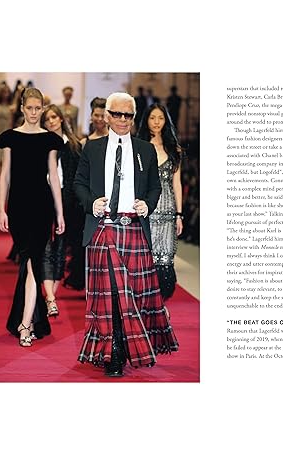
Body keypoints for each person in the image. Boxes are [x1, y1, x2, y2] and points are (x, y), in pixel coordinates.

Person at [74, 92, 178, 377]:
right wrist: (91, 203)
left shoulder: (145, 150)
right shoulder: (92, 148)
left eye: (128, 115)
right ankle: (114, 352)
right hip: (103, 227)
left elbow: (155, 187)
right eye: (117, 114)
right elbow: (78, 183)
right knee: (111, 293)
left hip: (134, 228)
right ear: (107, 116)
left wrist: (148, 204)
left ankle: (124, 346)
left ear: (133, 118)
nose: (122, 120)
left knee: (131, 294)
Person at [0, 87, 65, 347]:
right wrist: (1, 209)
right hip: (18, 208)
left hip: (42, 207)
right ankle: (31, 320)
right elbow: (5, 175)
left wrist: (59, 212)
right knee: (28, 262)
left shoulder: (50, 140)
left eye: (38, 108)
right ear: (23, 108)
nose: (34, 113)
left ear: (43, 109)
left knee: (33, 261)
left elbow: (53, 176)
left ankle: (25, 323)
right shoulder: (10, 138)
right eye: (30, 108)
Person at [136, 103, 184, 300]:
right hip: (145, 210)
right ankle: (145, 303)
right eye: (152, 117)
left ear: (166, 121)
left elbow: (177, 184)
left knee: (164, 259)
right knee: (144, 257)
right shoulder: (138, 147)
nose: (156, 122)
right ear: (146, 120)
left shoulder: (174, 150)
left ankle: (160, 303)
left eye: (161, 118)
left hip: (167, 212)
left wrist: (179, 214)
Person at [41, 104, 83, 312]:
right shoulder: (39, 145)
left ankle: (52, 296)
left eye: (54, 117)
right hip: (42, 200)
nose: (51, 121)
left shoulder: (73, 146)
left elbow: (78, 178)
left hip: (68, 203)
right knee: (45, 247)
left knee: (59, 248)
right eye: (47, 119)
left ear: (60, 119)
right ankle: (49, 296)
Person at [0, 82, 14, 193]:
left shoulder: (12, 107)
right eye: (4, 92)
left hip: (7, 135)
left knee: (5, 161)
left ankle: (4, 184)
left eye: (7, 92)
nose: (6, 94)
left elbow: (11, 123)